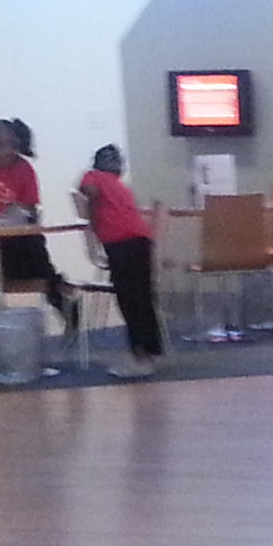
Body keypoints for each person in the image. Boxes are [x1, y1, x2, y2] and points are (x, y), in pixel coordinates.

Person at [0, 117, 75, 327]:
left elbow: (31, 206)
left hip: (24, 232)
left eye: (12, 145)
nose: (7, 151)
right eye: (1, 145)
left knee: (40, 270)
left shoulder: (25, 169)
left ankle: (63, 300)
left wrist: (15, 210)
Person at [74, 144, 164, 376]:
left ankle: (140, 357)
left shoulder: (92, 176)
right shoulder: (121, 187)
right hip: (141, 240)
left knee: (129, 300)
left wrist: (91, 214)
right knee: (143, 298)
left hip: (120, 243)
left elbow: (88, 191)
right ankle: (151, 352)